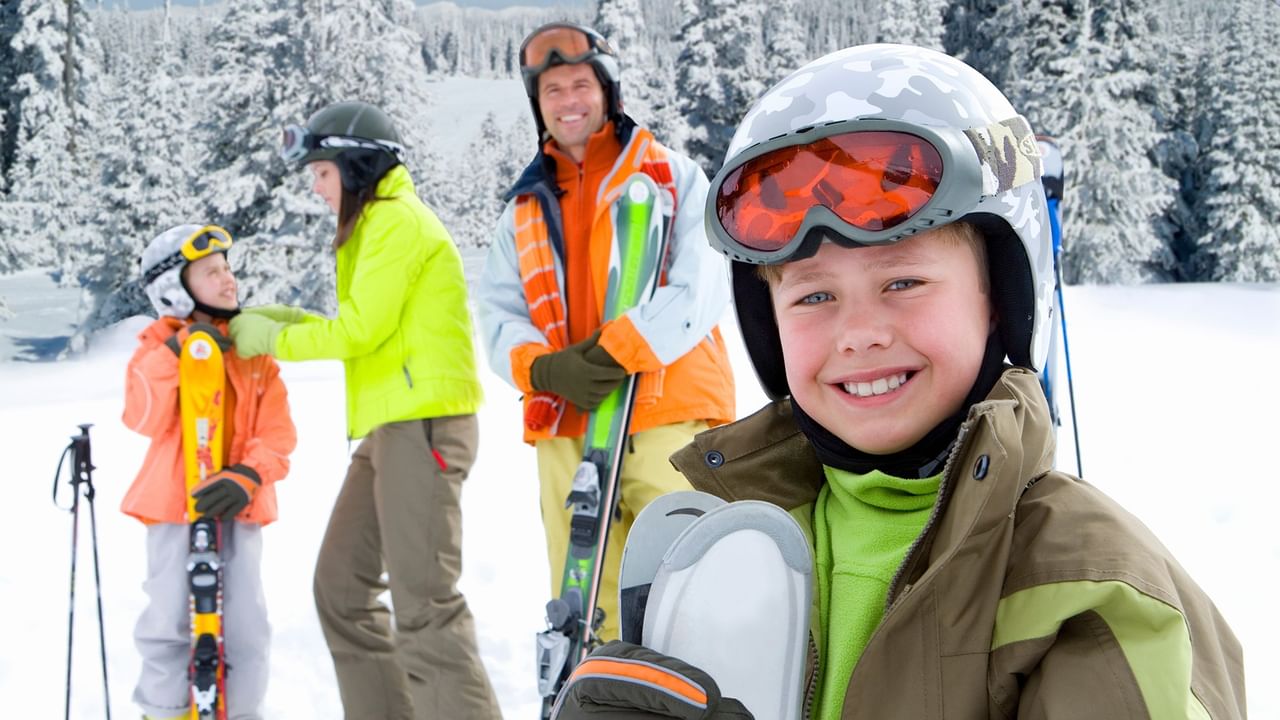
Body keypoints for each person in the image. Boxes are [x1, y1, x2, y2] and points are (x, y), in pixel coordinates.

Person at [552, 44, 1246, 719]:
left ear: (1000, 297)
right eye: (813, 297)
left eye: (904, 281)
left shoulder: (1088, 591)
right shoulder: (728, 551)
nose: (859, 332)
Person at [227, 101, 501, 719]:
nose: (317, 188)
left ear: (355, 167)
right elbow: (371, 329)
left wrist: (271, 338)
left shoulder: (395, 221)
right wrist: (287, 320)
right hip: (391, 430)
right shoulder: (376, 226)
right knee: (342, 590)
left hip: (424, 427)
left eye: (322, 173)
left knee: (425, 604)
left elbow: (358, 333)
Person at [475, 21, 736, 643]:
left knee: (681, 590)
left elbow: (700, 288)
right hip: (569, 419)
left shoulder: (671, 177)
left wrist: (614, 350)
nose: (568, 100)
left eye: (580, 85)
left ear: (608, 91)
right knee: (586, 599)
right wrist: (543, 368)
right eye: (553, 90)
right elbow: (496, 309)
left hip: (664, 410)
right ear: (537, 105)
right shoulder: (525, 207)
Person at [122, 224, 297, 720]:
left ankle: (241, 713)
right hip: (172, 506)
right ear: (174, 289)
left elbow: (279, 434)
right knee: (167, 619)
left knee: (246, 628)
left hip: (237, 508)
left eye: (227, 269)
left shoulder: (252, 351)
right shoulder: (156, 347)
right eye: (211, 272)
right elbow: (141, 417)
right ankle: (162, 710)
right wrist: (171, 359)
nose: (228, 280)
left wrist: (248, 474)